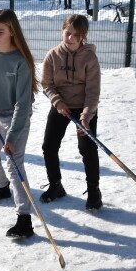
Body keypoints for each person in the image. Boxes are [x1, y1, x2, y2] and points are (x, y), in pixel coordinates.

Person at [0, 9, 37, 238]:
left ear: (12, 32)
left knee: (14, 165)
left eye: (0, 31)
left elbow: (23, 104)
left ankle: (24, 218)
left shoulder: (21, 62)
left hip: (17, 117)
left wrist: (11, 137)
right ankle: (3, 188)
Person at [40, 14, 102, 210]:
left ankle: (94, 190)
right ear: (62, 31)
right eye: (67, 33)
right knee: (49, 146)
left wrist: (86, 116)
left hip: (85, 107)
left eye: (76, 35)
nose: (70, 38)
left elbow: (93, 91)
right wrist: (57, 102)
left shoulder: (90, 58)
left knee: (87, 149)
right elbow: (47, 84)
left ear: (83, 36)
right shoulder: (52, 55)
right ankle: (55, 185)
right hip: (61, 106)